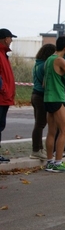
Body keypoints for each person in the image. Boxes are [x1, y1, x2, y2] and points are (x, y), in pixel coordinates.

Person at [43, 36, 65, 172]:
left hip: (48, 98)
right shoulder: (60, 60)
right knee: (64, 130)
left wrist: (63, 91)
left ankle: (50, 162)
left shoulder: (48, 60)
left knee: (51, 131)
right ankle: (58, 163)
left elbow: (45, 82)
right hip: (57, 99)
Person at [30, 44, 56, 160]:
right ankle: (36, 150)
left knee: (38, 123)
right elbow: (47, 82)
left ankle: (39, 149)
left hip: (35, 94)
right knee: (40, 124)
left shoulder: (37, 64)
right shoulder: (45, 66)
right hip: (41, 96)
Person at [0, 28, 17, 164]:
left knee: (1, 125)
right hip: (1, 97)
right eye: (11, 38)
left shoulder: (3, 53)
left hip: (4, 97)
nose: (11, 41)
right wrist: (4, 90)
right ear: (6, 38)